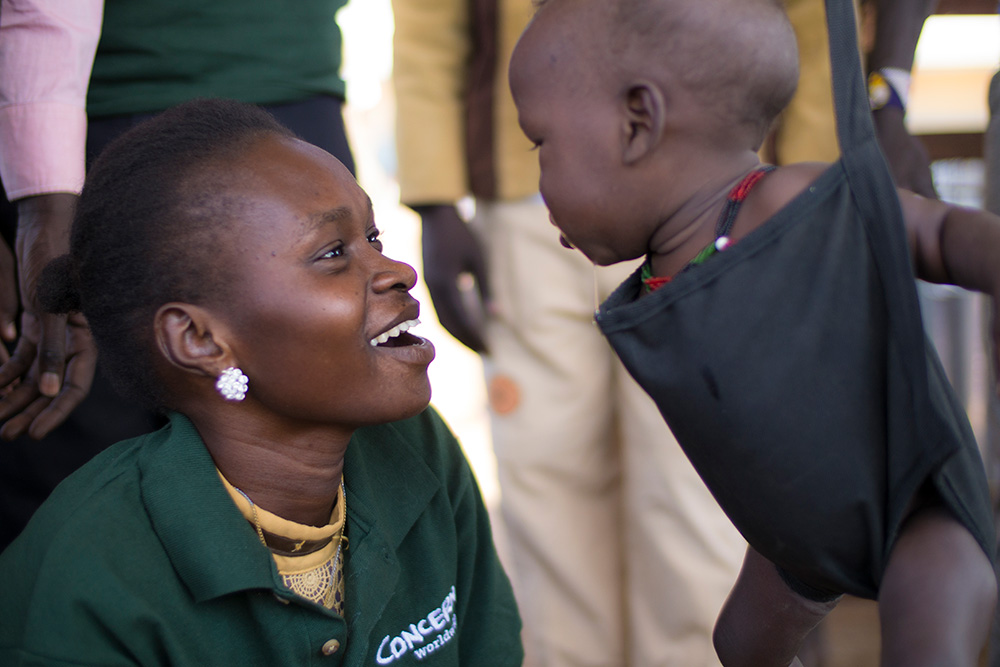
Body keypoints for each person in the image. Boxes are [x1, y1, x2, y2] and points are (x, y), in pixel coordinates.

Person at [508, 0, 998, 665]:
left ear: (637, 122)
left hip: (915, 506)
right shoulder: (656, 278)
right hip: (790, 534)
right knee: (739, 642)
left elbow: (936, 231)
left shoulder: (796, 202)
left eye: (543, 146)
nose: (541, 189)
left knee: (924, 638)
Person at [0, 98, 524, 665]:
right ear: (200, 339)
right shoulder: (86, 582)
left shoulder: (419, 450)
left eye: (372, 238)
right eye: (332, 253)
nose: (399, 271)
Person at [391, 1, 745, 665]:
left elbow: (806, 24)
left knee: (695, 483)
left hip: (703, 194)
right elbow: (428, 25)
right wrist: (436, 199)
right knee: (547, 476)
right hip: (531, 196)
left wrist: (803, 176)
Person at [0, 0, 356, 550]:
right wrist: (37, 195)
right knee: (69, 471)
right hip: (70, 130)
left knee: (303, 474)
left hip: (282, 88)